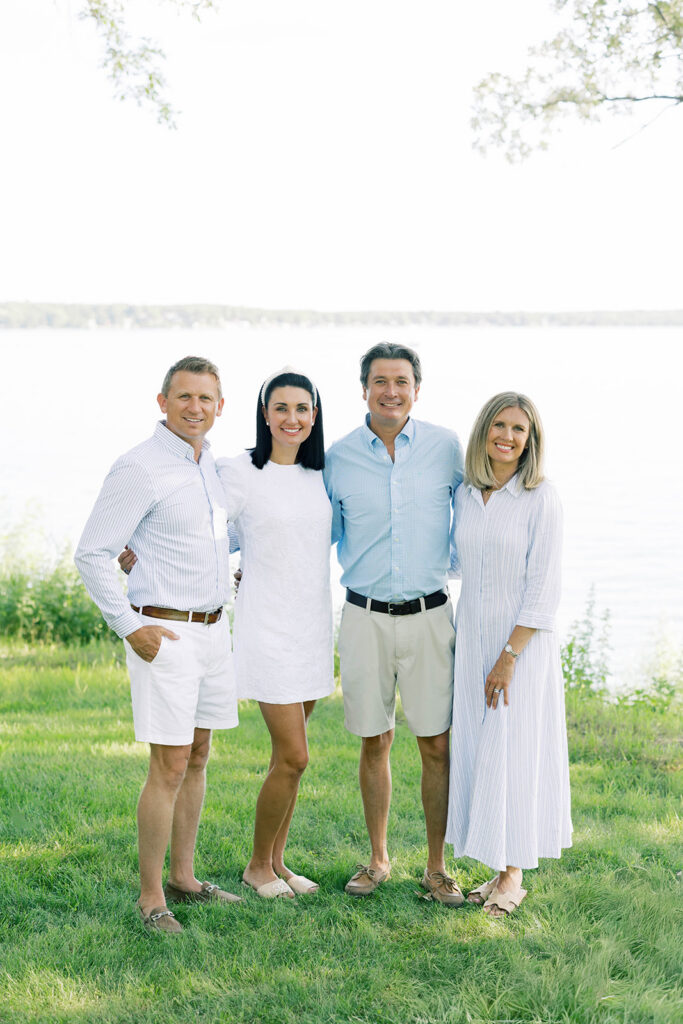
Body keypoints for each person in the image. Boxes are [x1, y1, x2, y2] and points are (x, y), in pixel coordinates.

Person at [75, 356, 241, 934]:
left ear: (221, 405)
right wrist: (129, 626)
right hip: (164, 635)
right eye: (184, 397)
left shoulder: (211, 466)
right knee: (168, 765)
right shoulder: (139, 467)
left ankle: (185, 878)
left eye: (206, 399)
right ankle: (151, 900)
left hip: (215, 631)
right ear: (162, 401)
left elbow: (208, 537)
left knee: (198, 755)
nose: (195, 408)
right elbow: (93, 552)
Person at [324, 342, 465, 904]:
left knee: (435, 744)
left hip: (431, 616)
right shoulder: (337, 457)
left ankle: (436, 866)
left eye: (401, 381)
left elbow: (486, 504)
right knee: (374, 740)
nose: (390, 391)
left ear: (416, 389)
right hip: (363, 616)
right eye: (380, 381)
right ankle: (379, 859)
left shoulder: (446, 448)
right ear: (363, 389)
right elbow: (310, 530)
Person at [446, 392, 572, 917]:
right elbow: (454, 563)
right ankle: (497, 867)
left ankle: (514, 875)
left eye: (519, 429)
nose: (508, 436)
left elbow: (544, 587)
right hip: (472, 635)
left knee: (514, 750)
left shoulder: (540, 498)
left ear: (531, 439)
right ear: (484, 431)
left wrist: (509, 655)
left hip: (518, 647)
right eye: (499, 425)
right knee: (481, 748)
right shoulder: (467, 494)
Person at [217, 368, 334, 898]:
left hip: (311, 627)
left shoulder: (320, 474)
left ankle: (278, 862)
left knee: (287, 760)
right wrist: (140, 554)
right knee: (295, 756)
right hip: (266, 628)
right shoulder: (239, 471)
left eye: (302, 409)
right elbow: (201, 528)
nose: (292, 418)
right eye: (281, 408)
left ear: (314, 416)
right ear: (265, 414)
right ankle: (256, 868)